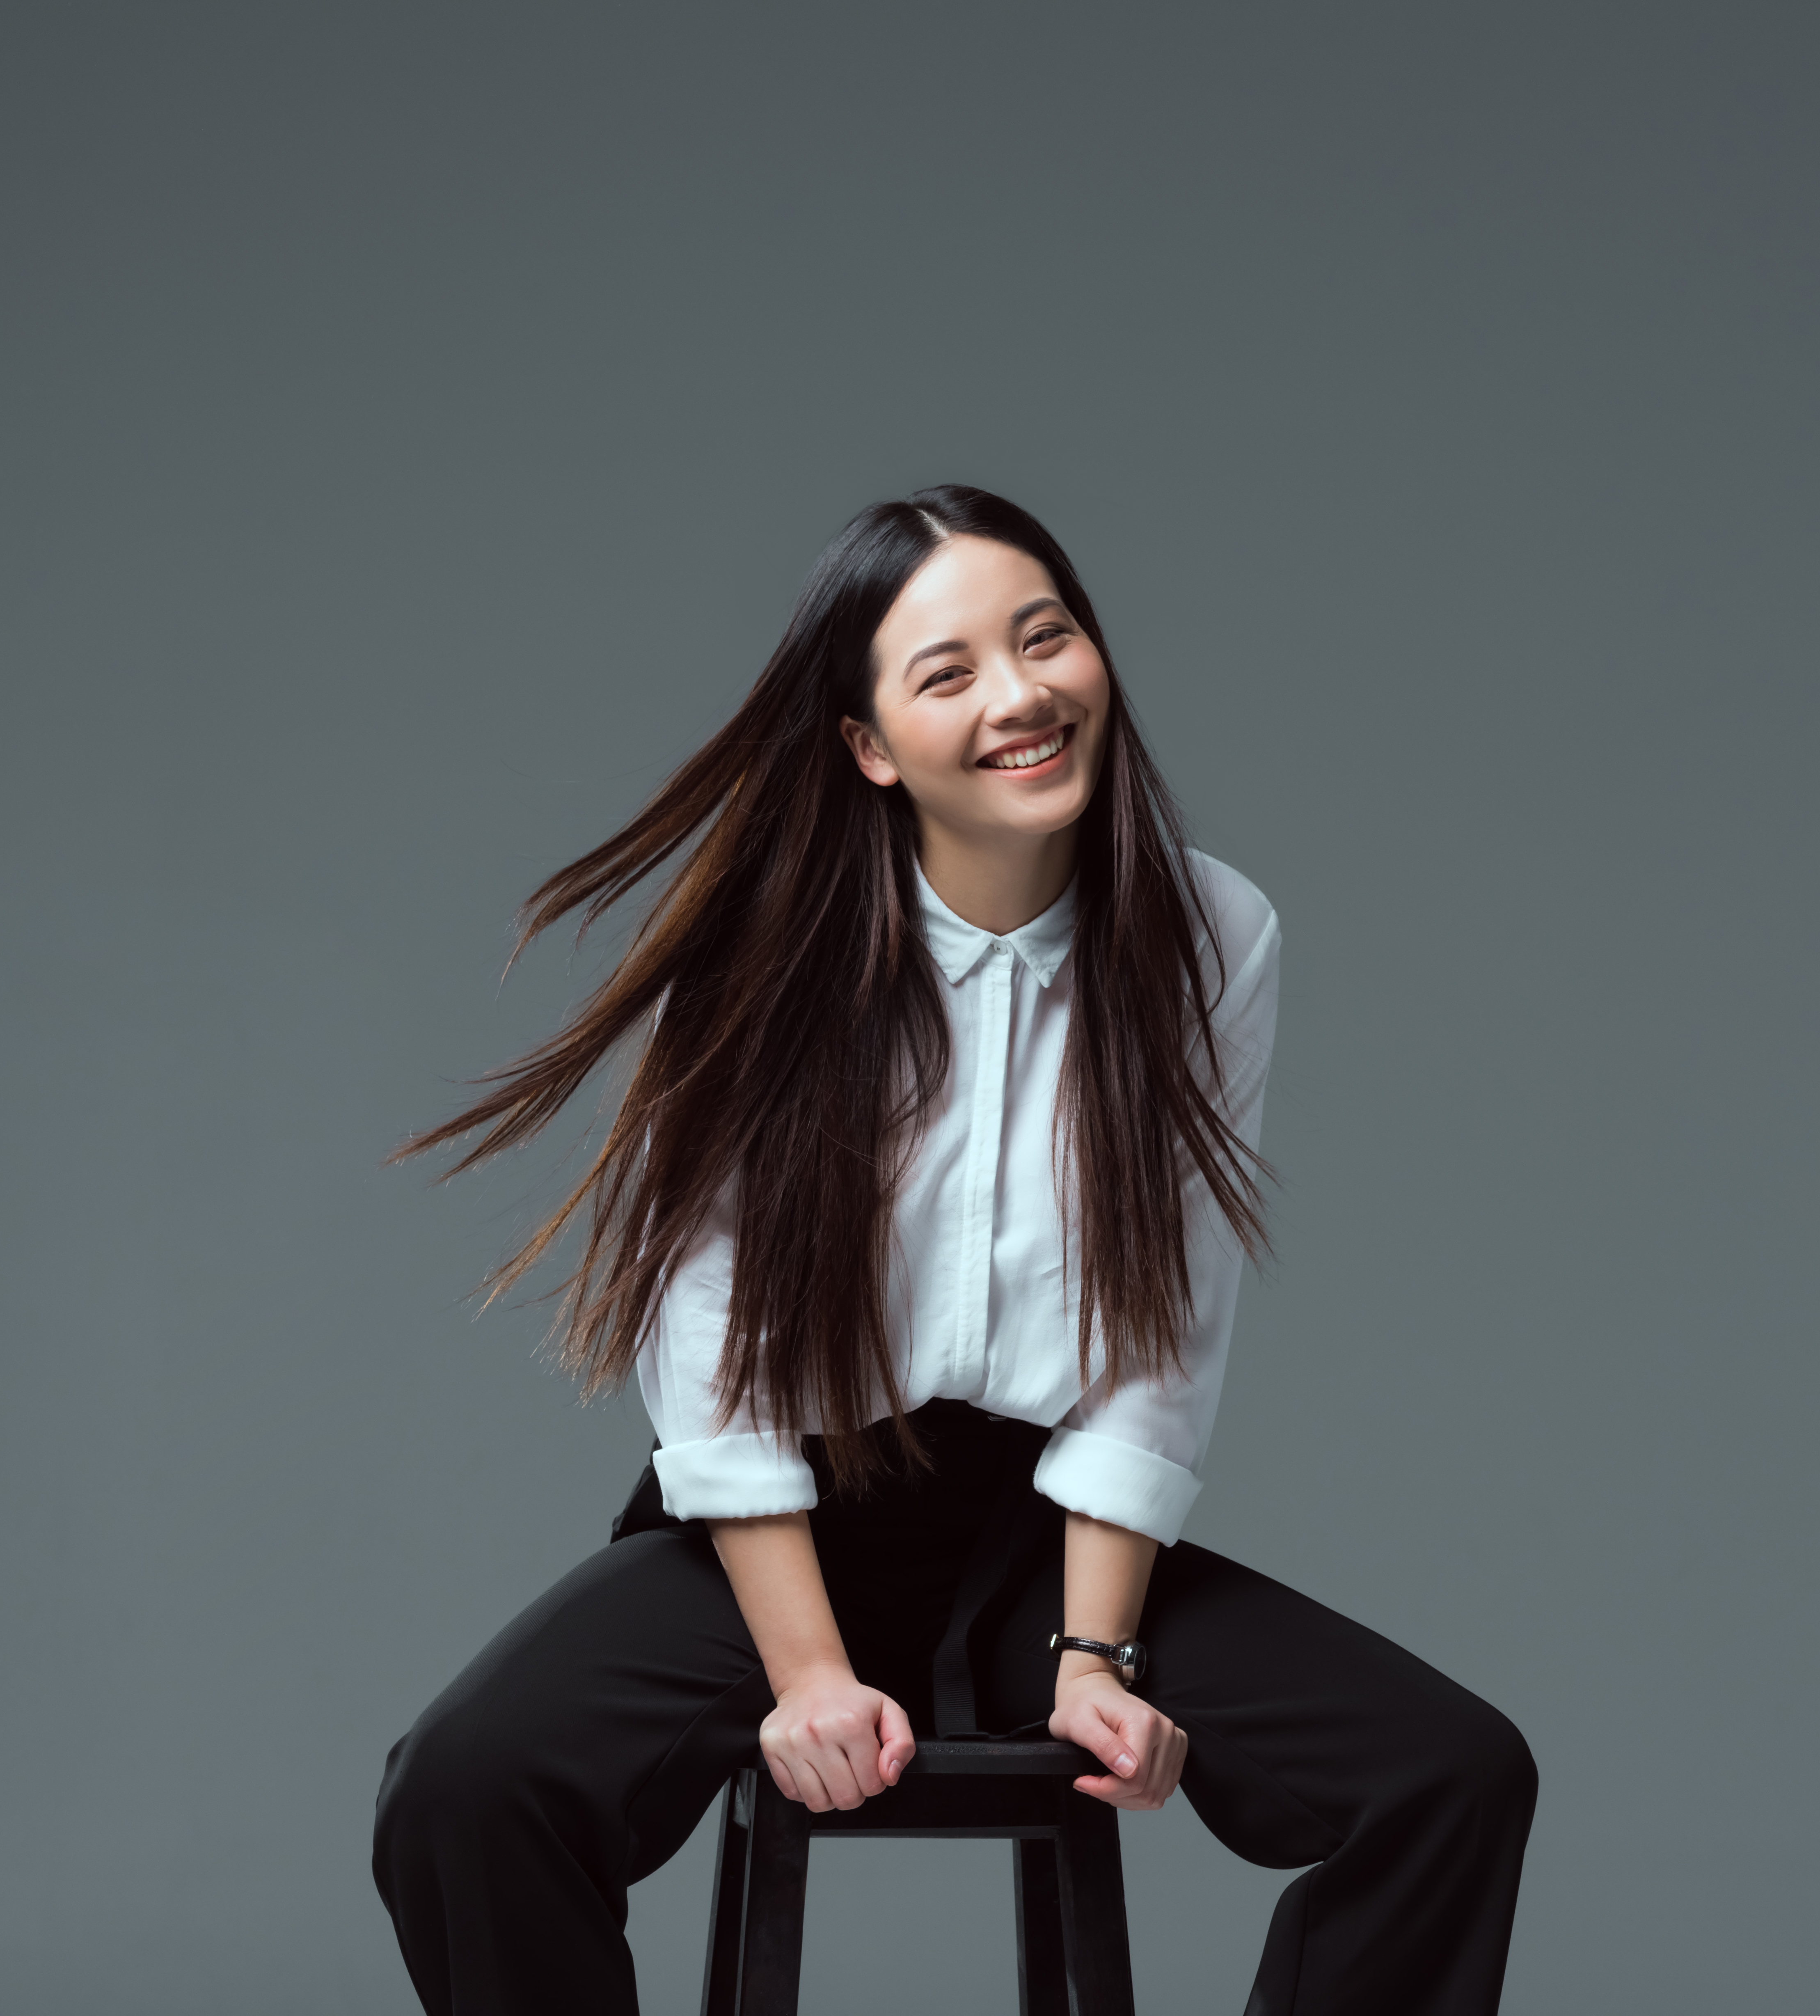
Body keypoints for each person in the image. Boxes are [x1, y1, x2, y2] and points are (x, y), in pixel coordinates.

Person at [370, 486, 1536, 2014]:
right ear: (868, 745)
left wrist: (1095, 1656)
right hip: (782, 1530)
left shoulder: (1212, 935)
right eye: (949, 672)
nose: (1022, 695)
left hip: (1045, 1536)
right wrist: (806, 1677)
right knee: (463, 1788)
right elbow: (710, 1347)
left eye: (1046, 638)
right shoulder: (759, 952)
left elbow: (1162, 1331)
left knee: (1448, 1778)